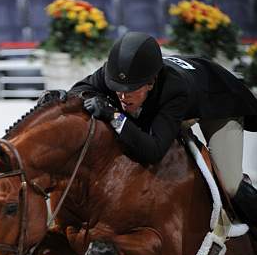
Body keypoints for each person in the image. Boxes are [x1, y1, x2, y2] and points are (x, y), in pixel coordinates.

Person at [65, 31, 257, 226]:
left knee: (230, 183)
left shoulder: (174, 89)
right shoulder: (115, 73)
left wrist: (114, 115)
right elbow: (77, 91)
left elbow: (153, 150)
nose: (123, 97)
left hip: (218, 100)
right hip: (181, 88)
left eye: (132, 89)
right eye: (118, 88)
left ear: (151, 82)